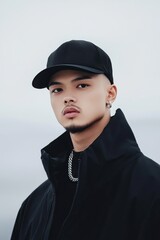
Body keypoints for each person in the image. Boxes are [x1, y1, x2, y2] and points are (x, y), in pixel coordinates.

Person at [11, 40, 160, 240]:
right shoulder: (34, 205)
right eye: (57, 90)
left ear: (110, 93)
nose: (68, 97)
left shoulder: (151, 189)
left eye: (82, 85)